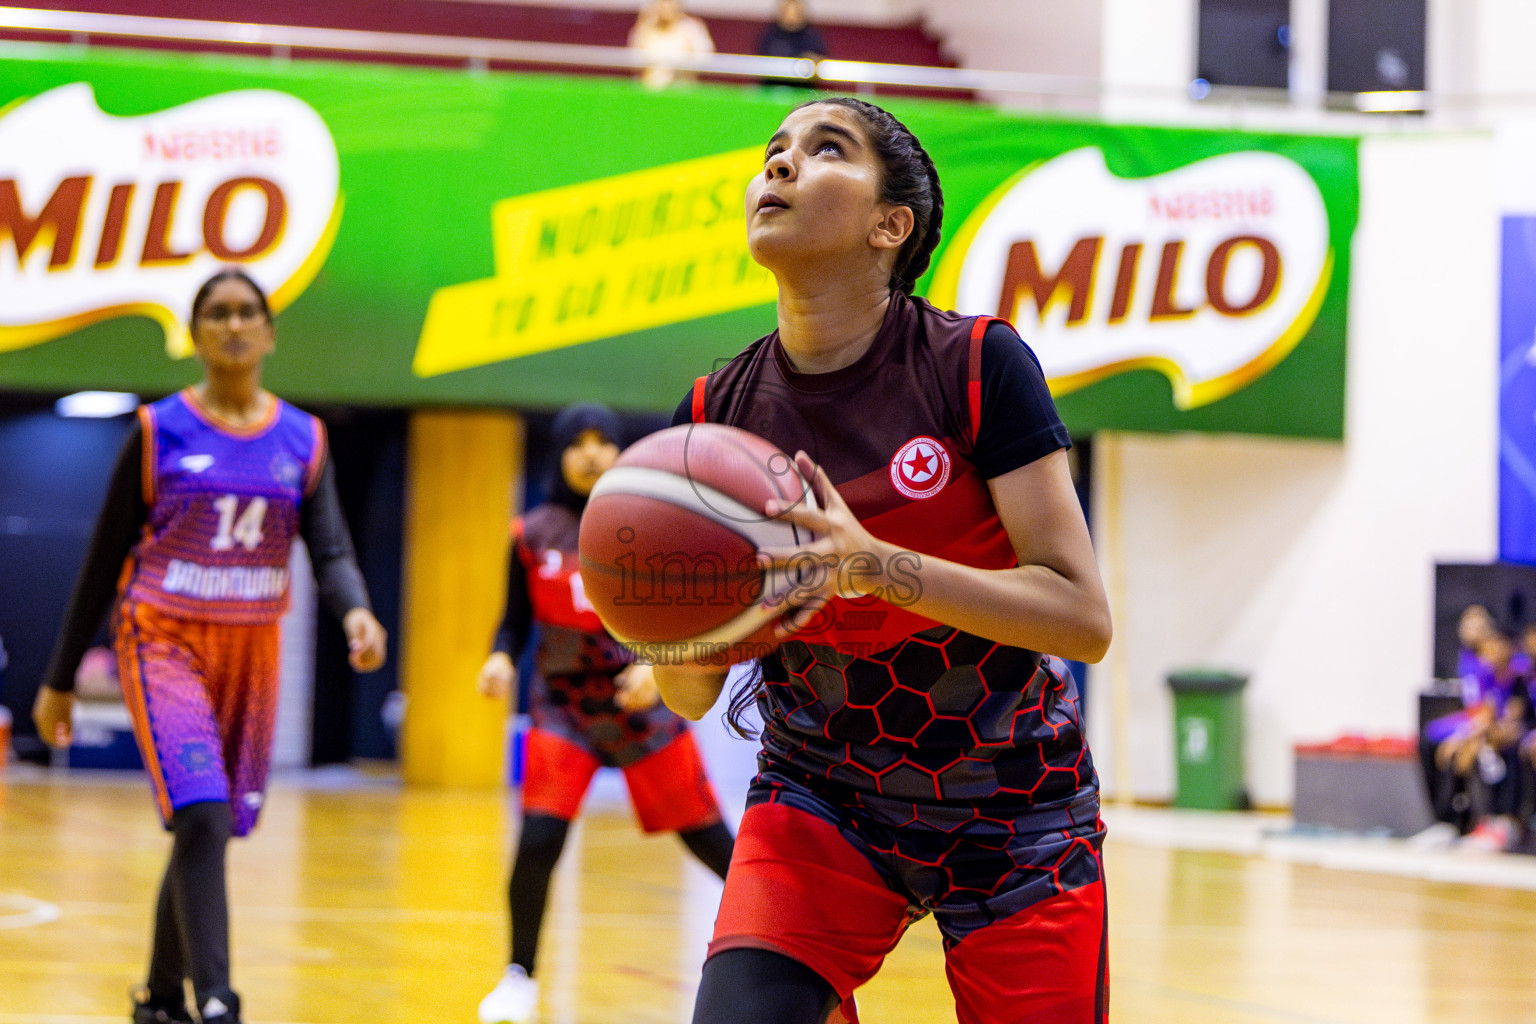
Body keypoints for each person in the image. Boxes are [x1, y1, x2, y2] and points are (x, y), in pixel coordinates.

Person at [654, 97, 1113, 1024]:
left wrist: (877, 568)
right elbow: (690, 696)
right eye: (773, 150)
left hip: (1014, 806)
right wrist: (673, 622)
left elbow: (1081, 617)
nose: (779, 166)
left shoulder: (975, 364)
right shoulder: (715, 414)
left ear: (889, 225)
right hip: (821, 795)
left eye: (825, 151)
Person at [31, 268, 388, 1024]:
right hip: (162, 637)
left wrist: (355, 610)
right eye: (216, 313)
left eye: (246, 312)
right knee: (200, 815)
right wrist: (59, 678)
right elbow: (102, 560)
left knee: (210, 821)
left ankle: (158, 997)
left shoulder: (303, 437)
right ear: (195, 335)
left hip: (251, 648)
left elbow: (329, 550)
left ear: (268, 332)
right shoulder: (160, 429)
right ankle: (216, 999)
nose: (232, 325)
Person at [475, 403, 734, 1024]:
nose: (591, 453)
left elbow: (687, 614)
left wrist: (656, 664)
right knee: (538, 839)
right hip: (563, 708)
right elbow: (513, 622)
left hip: (643, 706)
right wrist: (500, 658)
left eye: (603, 441)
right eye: (577, 442)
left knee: (713, 844)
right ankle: (519, 976)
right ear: (558, 454)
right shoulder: (530, 533)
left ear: (623, 452)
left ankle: (788, 950)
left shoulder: (653, 528)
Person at [628, 0, 716, 89]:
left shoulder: (692, 28)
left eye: (670, 3)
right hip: (651, 90)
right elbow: (633, 61)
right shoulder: (646, 28)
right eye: (662, 3)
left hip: (681, 90)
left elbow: (705, 60)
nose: (666, 7)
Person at [757, 0, 827, 88]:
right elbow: (762, 63)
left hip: (802, 89)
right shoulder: (769, 35)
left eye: (794, 11)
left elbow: (819, 61)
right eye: (788, 11)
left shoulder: (811, 37)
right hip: (773, 88)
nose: (791, 16)